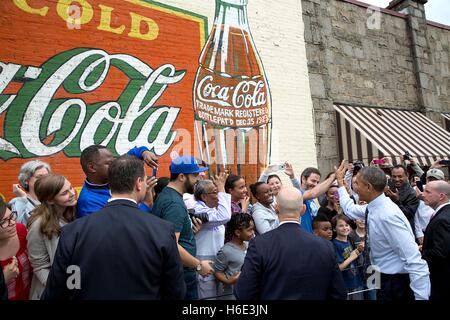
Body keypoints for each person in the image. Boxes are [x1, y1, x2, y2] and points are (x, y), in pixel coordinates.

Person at [42, 155, 185, 299]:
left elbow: (56, 290)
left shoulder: (73, 231)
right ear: (139, 183)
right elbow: (175, 291)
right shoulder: (162, 230)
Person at [335, 163, 430, 300]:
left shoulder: (387, 216)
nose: (355, 187)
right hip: (381, 276)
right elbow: (350, 210)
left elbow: (414, 260)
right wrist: (340, 184)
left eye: (357, 183)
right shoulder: (374, 207)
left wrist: (421, 297)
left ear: (368, 187)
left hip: (396, 284)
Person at [234, 187, 346, 300]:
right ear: (303, 210)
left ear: (276, 209)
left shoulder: (260, 244)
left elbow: (244, 293)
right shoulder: (325, 246)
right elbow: (339, 293)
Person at [152, 155, 213, 300]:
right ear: (181, 177)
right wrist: (198, 266)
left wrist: (189, 233)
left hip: (175, 272)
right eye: (195, 175)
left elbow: (168, 236)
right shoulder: (174, 203)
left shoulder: (168, 195)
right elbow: (171, 244)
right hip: (180, 274)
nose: (199, 179)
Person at [26, 175, 77, 300]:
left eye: (71, 188)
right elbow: (39, 265)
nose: (72, 193)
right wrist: (59, 287)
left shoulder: (70, 211)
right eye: (65, 193)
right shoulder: (38, 224)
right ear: (50, 200)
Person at [76, 144, 158, 218]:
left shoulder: (113, 175)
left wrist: (144, 152)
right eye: (109, 163)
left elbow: (133, 153)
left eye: (114, 161)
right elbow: (120, 226)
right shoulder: (88, 203)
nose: (115, 165)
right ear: (92, 167)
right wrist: (146, 204)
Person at [193, 173, 231, 299]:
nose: (219, 196)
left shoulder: (214, 210)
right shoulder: (198, 210)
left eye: (218, 192)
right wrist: (221, 188)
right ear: (204, 196)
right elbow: (225, 216)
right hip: (204, 262)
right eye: (215, 193)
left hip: (219, 262)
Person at [214, 213, 254, 300]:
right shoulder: (226, 251)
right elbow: (217, 272)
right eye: (249, 230)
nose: (252, 233)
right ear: (237, 232)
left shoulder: (249, 245)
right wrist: (228, 281)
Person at [421, 180, 450, 301]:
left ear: (441, 196)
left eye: (428, 192)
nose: (423, 194)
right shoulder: (443, 214)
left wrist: (420, 255)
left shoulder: (442, 219)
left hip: (442, 280)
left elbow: (441, 252)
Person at [0, 198, 32, 300]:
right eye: (4, 221)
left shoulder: (21, 231)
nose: (13, 222)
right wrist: (3, 279)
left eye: (11, 216)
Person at [331, 214, 364, 300]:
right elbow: (338, 267)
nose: (345, 228)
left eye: (347, 225)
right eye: (341, 226)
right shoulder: (334, 244)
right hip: (345, 285)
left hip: (356, 281)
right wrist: (352, 257)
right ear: (334, 229)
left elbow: (354, 257)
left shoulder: (350, 240)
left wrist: (359, 250)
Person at [9, 160, 51, 225]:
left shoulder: (51, 200)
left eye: (47, 176)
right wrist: (22, 198)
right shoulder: (18, 202)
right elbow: (14, 225)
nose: (45, 180)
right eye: (39, 177)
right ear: (26, 180)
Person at [385, 165, 420, 235]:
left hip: (404, 232)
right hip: (388, 230)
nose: (397, 179)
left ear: (407, 176)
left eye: (400, 176)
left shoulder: (412, 193)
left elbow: (407, 215)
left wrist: (396, 201)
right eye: (394, 176)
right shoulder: (388, 189)